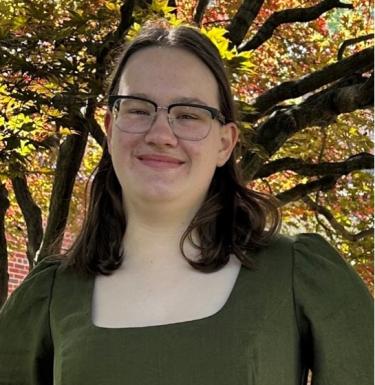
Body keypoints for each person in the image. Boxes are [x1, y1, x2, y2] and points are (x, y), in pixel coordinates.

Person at [0, 24, 372, 385]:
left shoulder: (298, 277)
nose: (161, 134)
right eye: (139, 109)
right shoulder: (48, 297)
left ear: (225, 143)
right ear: (111, 128)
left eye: (189, 115)